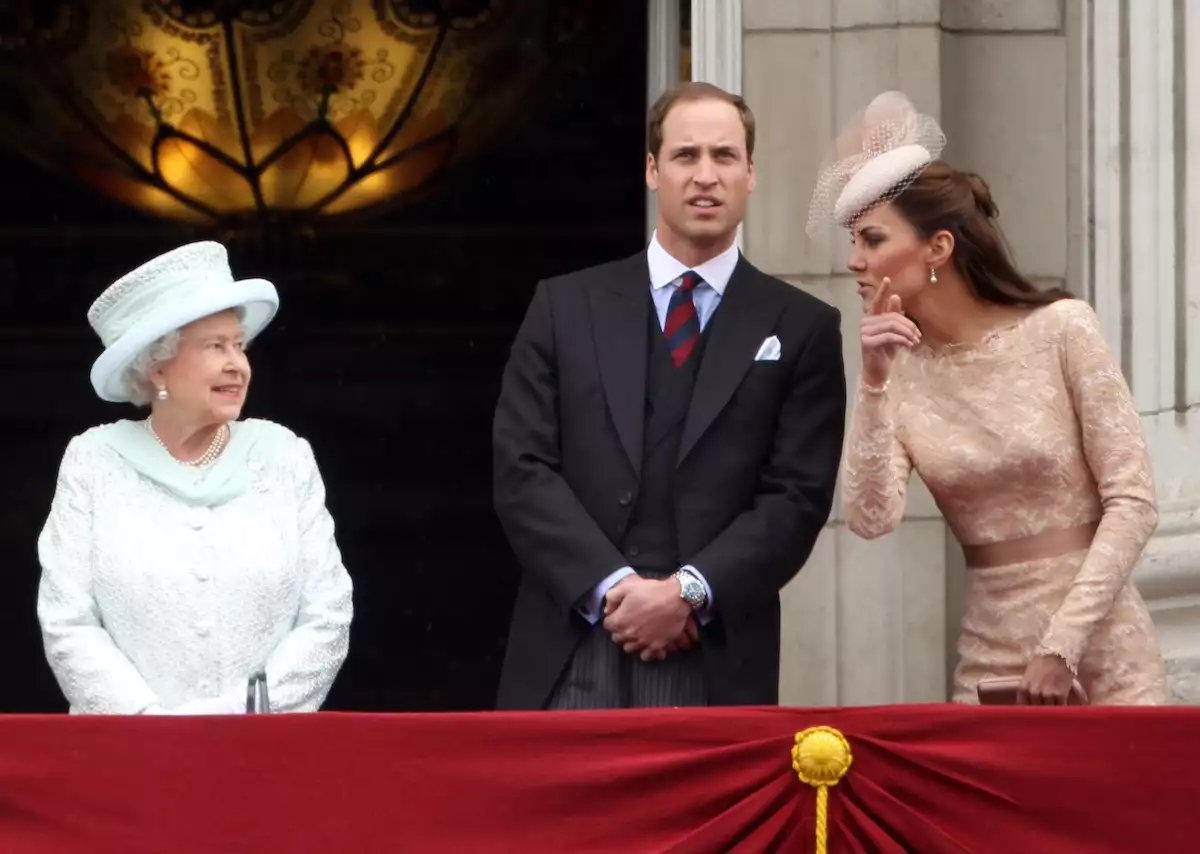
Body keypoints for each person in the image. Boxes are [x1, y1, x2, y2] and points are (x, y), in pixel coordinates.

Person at [492, 81, 847, 710]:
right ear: (653, 170)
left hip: (716, 656)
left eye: (724, 156)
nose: (706, 175)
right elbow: (522, 470)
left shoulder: (802, 327)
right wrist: (614, 590)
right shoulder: (563, 307)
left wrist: (687, 593)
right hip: (571, 647)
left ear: (751, 174)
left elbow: (796, 496)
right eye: (686, 155)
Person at [814, 91, 1166, 705]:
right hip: (989, 664)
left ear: (938, 248)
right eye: (854, 241)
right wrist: (872, 381)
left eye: (871, 239)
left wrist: (1063, 645)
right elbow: (870, 519)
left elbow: (1134, 503)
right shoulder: (898, 371)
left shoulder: (1063, 329)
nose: (854, 261)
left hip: (1105, 655)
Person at [36, 241, 353, 715]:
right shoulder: (93, 461)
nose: (237, 365)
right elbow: (68, 619)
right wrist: (147, 722)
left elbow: (327, 612)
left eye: (239, 346)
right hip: (129, 748)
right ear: (158, 365)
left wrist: (239, 715)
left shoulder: (284, 455)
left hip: (264, 744)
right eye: (214, 346)